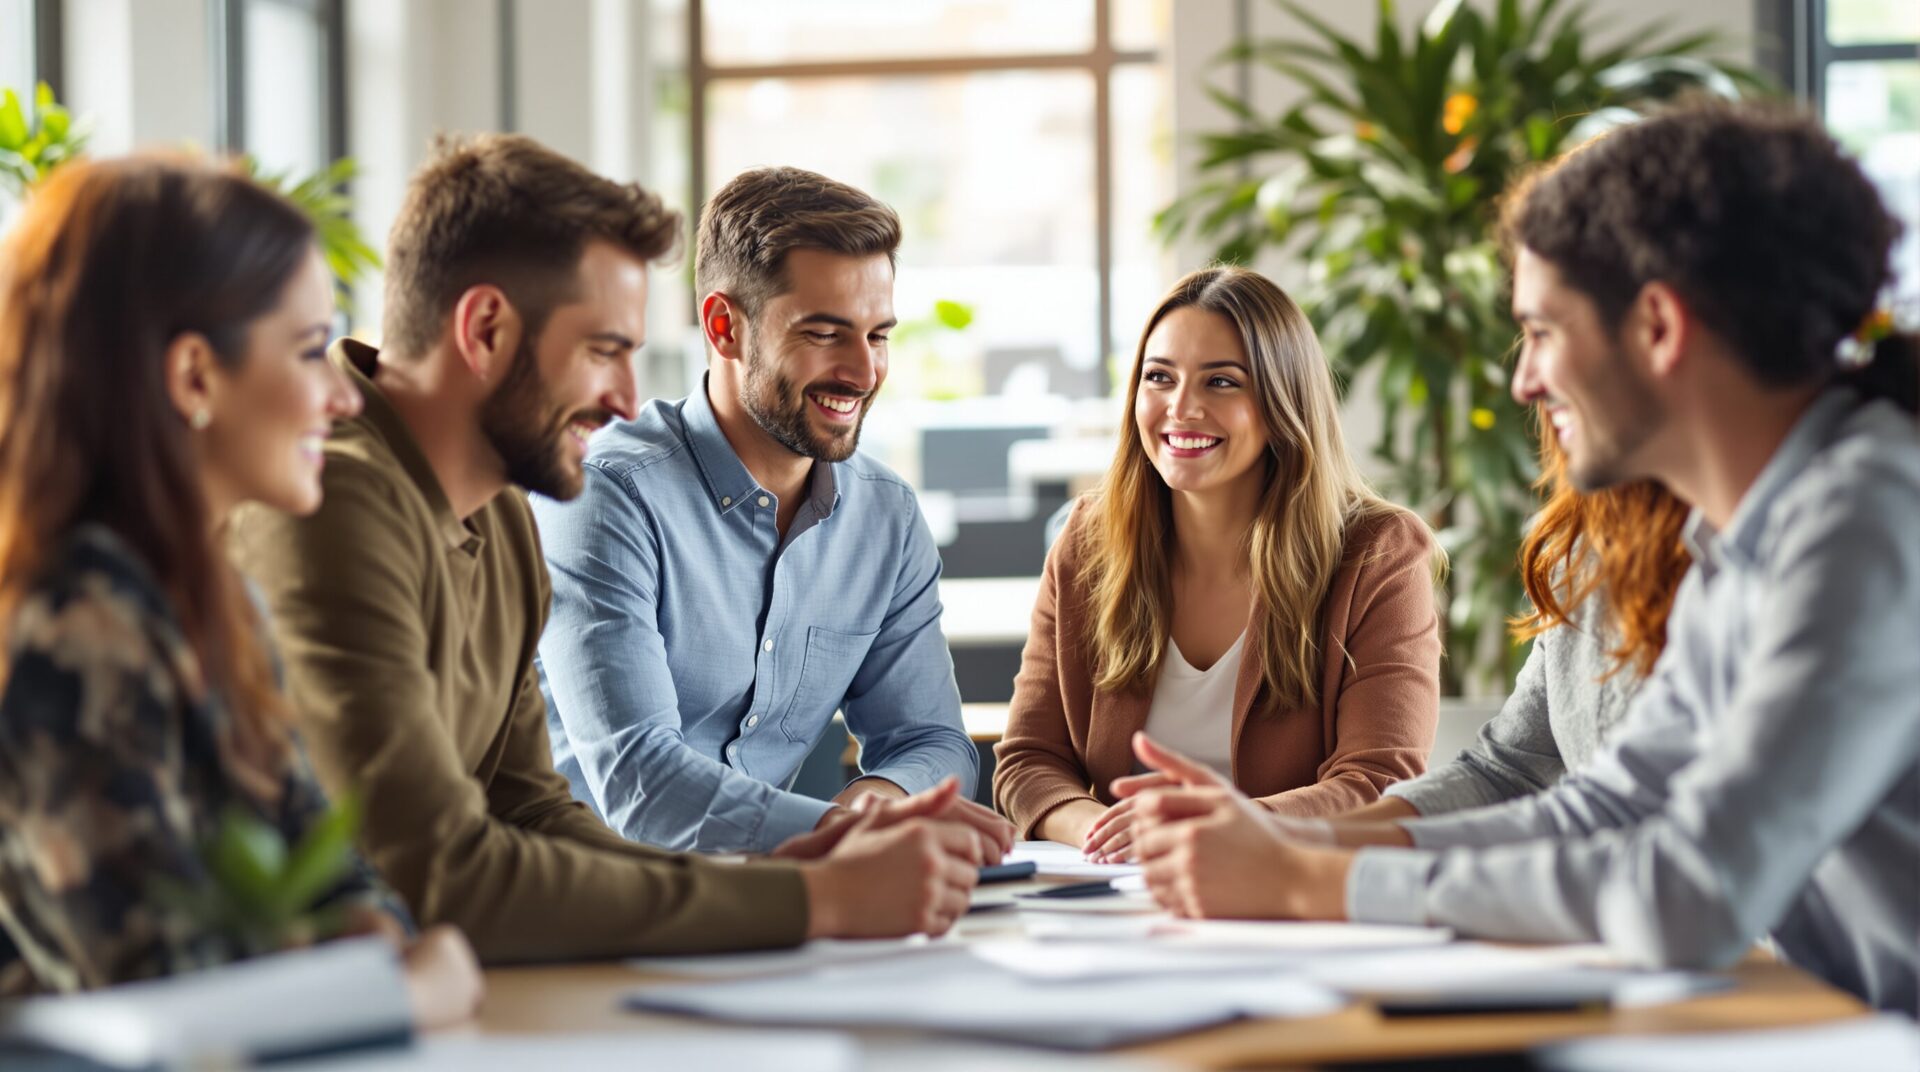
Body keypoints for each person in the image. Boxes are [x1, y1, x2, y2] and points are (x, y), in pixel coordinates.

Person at [1125, 101, 1920, 1014]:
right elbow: (1605, 806)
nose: (1523, 380)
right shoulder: (1744, 536)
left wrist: (1311, 888)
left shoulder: (1868, 517)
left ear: (1658, 327)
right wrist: (1286, 849)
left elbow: (1690, 891)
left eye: (1542, 331)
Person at [229, 135, 985, 964]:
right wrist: (817, 894)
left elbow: (535, 814)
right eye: (604, 351)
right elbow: (441, 871)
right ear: (484, 330)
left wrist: (808, 880)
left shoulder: (503, 514)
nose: (629, 397)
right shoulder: (331, 502)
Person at [0, 156, 481, 1027]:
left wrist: (366, 946)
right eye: (308, 351)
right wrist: (404, 986)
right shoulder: (71, 616)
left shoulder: (210, 599)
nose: (346, 397)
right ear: (193, 378)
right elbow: (159, 986)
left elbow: (345, 880)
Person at [532, 166, 1010, 856]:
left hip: (777, 902)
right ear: (725, 326)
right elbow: (640, 783)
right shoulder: (604, 495)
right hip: (597, 904)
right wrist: (841, 833)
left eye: (877, 336)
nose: (863, 371)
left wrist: (881, 803)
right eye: (824, 334)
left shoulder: (885, 517)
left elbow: (931, 741)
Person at [991, 265, 1444, 863]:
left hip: (1296, 890)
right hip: (1121, 895)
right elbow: (1028, 760)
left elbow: (1380, 781)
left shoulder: (1378, 552)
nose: (1181, 408)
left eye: (1221, 383)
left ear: (1283, 400)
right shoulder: (1087, 541)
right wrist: (1109, 833)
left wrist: (1220, 826)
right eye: (1159, 377)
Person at [1323, 431, 1691, 830]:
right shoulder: (1584, 560)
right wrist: (1303, 842)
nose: (1524, 385)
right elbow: (1507, 774)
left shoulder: (1742, 577)